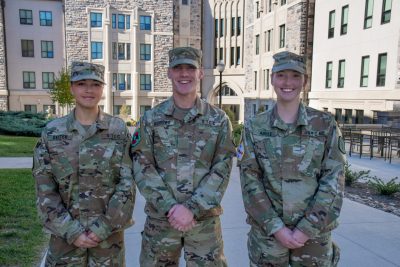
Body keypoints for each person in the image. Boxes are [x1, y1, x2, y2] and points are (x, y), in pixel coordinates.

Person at [238, 51, 346, 267]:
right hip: (268, 236)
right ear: (272, 79)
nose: (288, 82)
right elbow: (250, 180)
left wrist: (307, 228)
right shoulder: (255, 127)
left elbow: (334, 180)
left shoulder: (324, 124)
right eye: (281, 75)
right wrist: (275, 227)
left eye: (295, 76)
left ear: (305, 81)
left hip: (314, 237)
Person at [130, 47, 236, 266]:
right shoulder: (152, 119)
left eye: (191, 68)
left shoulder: (218, 120)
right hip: (161, 222)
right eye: (178, 68)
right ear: (169, 72)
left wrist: (192, 208)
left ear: (200, 74)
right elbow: (142, 166)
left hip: (204, 223)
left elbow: (222, 168)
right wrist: (171, 207)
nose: (184, 74)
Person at [32, 62, 135, 266]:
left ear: (102, 89)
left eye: (95, 84)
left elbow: (127, 184)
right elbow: (45, 189)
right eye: (81, 83)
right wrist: (72, 231)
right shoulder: (53, 132)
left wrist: (102, 229)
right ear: (71, 87)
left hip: (108, 240)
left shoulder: (117, 130)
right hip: (65, 240)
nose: (89, 90)